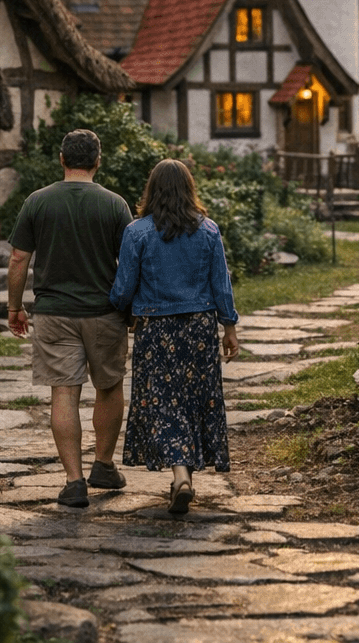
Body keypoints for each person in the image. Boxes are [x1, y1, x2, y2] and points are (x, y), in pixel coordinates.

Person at [7, 128, 134, 507]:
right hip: (104, 312)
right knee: (109, 386)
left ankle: (74, 481)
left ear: (62, 159)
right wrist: (131, 310)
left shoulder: (37, 202)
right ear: (98, 161)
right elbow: (128, 264)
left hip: (53, 313)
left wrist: (15, 307)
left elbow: (18, 259)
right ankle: (104, 465)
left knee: (63, 391)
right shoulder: (115, 205)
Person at [109, 159, 239, 513]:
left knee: (165, 402)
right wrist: (229, 327)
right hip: (198, 329)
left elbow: (123, 289)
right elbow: (221, 284)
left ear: (152, 190)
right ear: (189, 189)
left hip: (156, 330)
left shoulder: (137, 232)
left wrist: (118, 306)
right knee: (195, 400)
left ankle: (180, 474)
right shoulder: (209, 230)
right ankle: (186, 477)